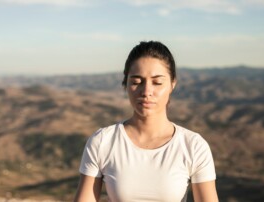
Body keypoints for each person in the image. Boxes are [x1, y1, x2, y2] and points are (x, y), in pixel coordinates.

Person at [74, 41, 218, 202]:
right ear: (125, 84)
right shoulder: (103, 141)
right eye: (136, 82)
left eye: (157, 82)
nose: (146, 91)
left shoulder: (193, 146)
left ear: (172, 84)